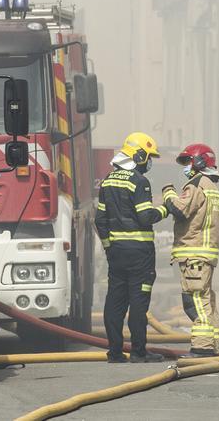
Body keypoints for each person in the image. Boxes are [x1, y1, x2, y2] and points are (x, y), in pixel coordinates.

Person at [94, 131, 168, 363]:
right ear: (138, 155)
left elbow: (100, 220)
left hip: (116, 253)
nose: (149, 162)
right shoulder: (139, 182)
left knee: (115, 301)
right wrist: (167, 208)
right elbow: (145, 217)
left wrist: (108, 247)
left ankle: (115, 352)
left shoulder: (108, 180)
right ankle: (138, 351)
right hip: (139, 255)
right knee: (138, 302)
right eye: (148, 156)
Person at [162, 143, 219, 357]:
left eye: (188, 162)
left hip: (195, 253)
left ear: (198, 162)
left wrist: (168, 193)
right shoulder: (213, 188)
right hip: (206, 254)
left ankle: (202, 346)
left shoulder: (196, 185)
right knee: (205, 299)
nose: (186, 167)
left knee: (195, 301)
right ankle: (211, 343)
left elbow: (180, 210)